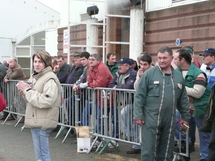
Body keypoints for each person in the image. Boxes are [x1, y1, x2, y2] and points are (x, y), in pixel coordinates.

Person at [133, 46, 190, 161]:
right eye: (159, 58)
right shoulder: (149, 74)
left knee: (166, 150)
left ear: (172, 58)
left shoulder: (178, 77)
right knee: (149, 150)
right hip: (150, 118)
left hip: (169, 119)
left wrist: (185, 117)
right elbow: (139, 95)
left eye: (164, 58)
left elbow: (183, 99)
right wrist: (138, 115)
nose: (162, 60)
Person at [16, 50, 61, 161]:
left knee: (42, 155)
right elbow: (36, 98)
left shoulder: (49, 78)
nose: (36, 64)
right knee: (40, 155)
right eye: (35, 61)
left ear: (46, 63)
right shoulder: (40, 77)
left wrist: (27, 91)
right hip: (38, 120)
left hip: (42, 122)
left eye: (40, 61)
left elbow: (47, 100)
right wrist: (25, 93)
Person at [173, 48, 211, 161]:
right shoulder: (176, 72)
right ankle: (184, 155)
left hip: (199, 110)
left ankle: (206, 158)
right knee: (184, 133)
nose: (173, 61)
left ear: (182, 59)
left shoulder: (199, 73)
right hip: (185, 111)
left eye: (175, 58)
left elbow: (197, 93)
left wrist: (181, 88)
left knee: (204, 136)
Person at [109, 57, 139, 153]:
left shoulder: (133, 74)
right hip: (124, 101)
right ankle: (132, 138)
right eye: (119, 65)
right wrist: (118, 87)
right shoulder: (118, 73)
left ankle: (134, 139)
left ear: (127, 66)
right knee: (126, 116)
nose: (119, 67)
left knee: (131, 119)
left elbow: (128, 86)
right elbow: (111, 84)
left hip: (134, 101)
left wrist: (116, 87)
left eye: (121, 65)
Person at [87, 54, 114, 147]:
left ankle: (107, 139)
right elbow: (89, 80)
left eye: (93, 59)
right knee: (99, 117)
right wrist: (92, 84)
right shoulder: (90, 68)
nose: (90, 61)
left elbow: (100, 84)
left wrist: (91, 84)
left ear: (98, 61)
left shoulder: (102, 68)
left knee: (106, 118)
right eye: (90, 59)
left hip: (108, 97)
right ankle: (99, 137)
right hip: (99, 97)